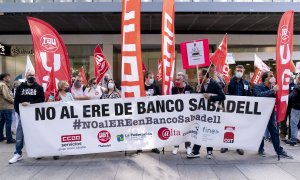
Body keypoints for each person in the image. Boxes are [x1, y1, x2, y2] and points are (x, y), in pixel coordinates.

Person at [187, 68, 226, 159]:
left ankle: (209, 152)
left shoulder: (214, 83)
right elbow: (196, 97)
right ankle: (195, 151)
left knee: (209, 131)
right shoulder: (199, 84)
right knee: (200, 130)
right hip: (201, 113)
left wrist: (210, 97)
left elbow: (222, 96)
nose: (199, 77)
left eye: (200, 75)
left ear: (205, 75)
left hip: (211, 112)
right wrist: (197, 91)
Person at [253, 71, 293, 159]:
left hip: (270, 113)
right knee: (260, 132)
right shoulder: (258, 87)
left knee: (274, 132)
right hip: (260, 114)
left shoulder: (274, 87)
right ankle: (260, 149)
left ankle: (279, 150)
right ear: (265, 78)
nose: (273, 77)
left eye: (273, 75)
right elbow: (258, 96)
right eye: (271, 76)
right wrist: (272, 91)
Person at [9, 70, 45, 164]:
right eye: (29, 75)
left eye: (33, 75)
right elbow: (16, 101)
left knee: (36, 134)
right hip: (23, 117)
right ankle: (18, 154)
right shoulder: (20, 87)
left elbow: (41, 100)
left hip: (35, 116)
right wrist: (20, 113)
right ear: (26, 76)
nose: (31, 77)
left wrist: (30, 104)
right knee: (19, 136)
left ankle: (37, 152)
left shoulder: (39, 88)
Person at [220, 65, 251, 155]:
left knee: (239, 127)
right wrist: (226, 84)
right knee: (228, 126)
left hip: (241, 109)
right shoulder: (230, 81)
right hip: (230, 108)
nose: (239, 72)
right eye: (238, 70)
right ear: (234, 71)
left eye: (241, 71)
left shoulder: (246, 83)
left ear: (243, 72)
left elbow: (249, 95)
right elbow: (224, 92)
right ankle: (225, 145)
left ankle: (239, 145)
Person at [136, 71, 161, 154]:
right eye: (150, 77)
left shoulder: (155, 87)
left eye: (152, 77)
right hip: (142, 112)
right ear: (146, 78)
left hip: (152, 112)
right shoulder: (140, 87)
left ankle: (153, 146)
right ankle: (140, 146)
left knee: (152, 129)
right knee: (141, 129)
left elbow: (160, 97)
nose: (152, 79)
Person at [172, 72, 194, 155]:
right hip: (177, 113)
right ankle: (176, 146)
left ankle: (188, 146)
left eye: (179, 77)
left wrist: (197, 91)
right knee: (177, 129)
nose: (177, 79)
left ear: (184, 79)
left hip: (187, 113)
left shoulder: (189, 88)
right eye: (176, 78)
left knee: (187, 130)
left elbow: (194, 98)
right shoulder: (174, 89)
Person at [0, 73, 15, 144]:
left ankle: (1, 137)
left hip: (2, 107)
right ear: (4, 78)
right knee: (8, 122)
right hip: (7, 106)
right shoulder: (3, 85)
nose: (9, 78)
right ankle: (9, 138)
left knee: (2, 122)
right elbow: (7, 96)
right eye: (8, 77)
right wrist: (14, 101)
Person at [286, 74, 300, 146]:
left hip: (296, 108)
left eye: (297, 78)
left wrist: (285, 97)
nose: (296, 79)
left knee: (293, 124)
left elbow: (291, 97)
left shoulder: (297, 87)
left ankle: (293, 140)